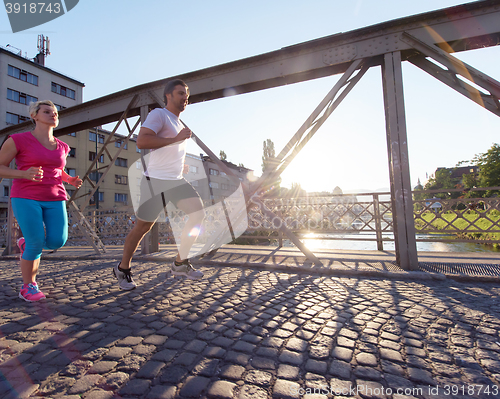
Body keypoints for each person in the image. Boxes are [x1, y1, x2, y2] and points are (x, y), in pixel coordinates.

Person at [114, 79, 205, 290]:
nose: (185, 98)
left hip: (175, 181)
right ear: (169, 96)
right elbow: (143, 141)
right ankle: (123, 268)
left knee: (198, 214)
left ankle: (180, 263)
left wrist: (179, 166)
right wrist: (176, 139)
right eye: (181, 93)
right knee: (143, 227)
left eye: (187, 95)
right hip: (154, 181)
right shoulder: (159, 115)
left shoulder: (179, 123)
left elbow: (166, 150)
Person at [0, 100, 82, 302]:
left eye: (55, 112)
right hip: (25, 196)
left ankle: (27, 244)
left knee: (57, 240)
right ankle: (28, 286)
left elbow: (56, 169)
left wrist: (69, 179)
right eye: (47, 111)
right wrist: (22, 173)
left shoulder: (63, 146)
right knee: (36, 243)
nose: (53, 115)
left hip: (55, 196)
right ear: (34, 115)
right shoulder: (17, 140)